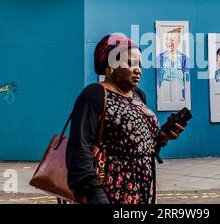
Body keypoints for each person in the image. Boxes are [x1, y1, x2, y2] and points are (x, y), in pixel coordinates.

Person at [66, 34, 187, 204]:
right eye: (130, 63)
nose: (138, 70)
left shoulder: (138, 95)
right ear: (110, 66)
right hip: (111, 191)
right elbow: (80, 146)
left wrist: (163, 137)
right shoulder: (95, 94)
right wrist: (94, 193)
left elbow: (139, 143)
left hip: (144, 189)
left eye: (139, 64)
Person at [156, 27, 190, 102]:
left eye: (172, 40)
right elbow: (158, 79)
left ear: (178, 42)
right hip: (164, 91)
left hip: (180, 91)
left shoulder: (184, 58)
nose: (169, 42)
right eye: (167, 39)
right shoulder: (160, 57)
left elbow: (187, 80)